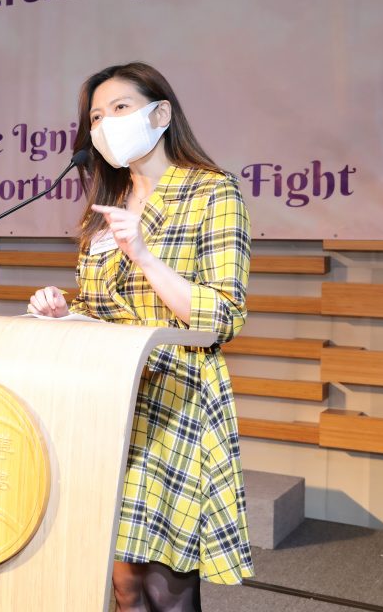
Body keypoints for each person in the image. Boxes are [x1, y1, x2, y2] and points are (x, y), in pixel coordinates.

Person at [28, 62, 253, 611]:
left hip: (176, 403)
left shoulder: (212, 193)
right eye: (96, 117)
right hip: (110, 402)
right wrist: (63, 313)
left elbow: (222, 316)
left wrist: (146, 256)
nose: (105, 124)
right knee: (124, 581)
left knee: (165, 588)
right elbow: (102, 312)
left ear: (161, 113)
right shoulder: (103, 212)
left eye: (119, 108)